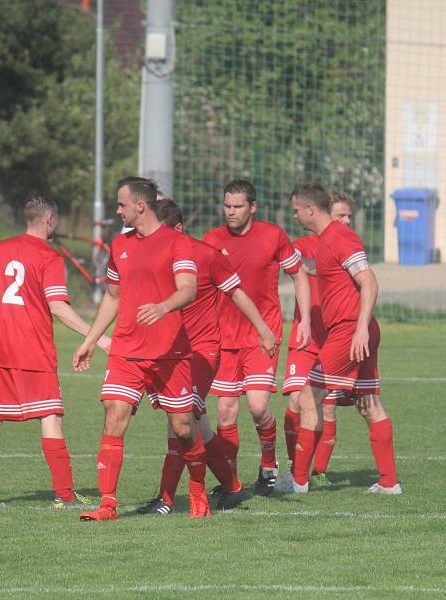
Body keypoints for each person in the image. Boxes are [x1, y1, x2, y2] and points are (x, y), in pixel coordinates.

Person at [0, 195, 111, 508]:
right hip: (33, 351)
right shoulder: (48, 258)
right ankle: (64, 496)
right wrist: (97, 337)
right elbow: (59, 309)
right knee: (51, 417)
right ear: (50, 219)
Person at [73, 177, 209, 521]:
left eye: (120, 205)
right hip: (127, 350)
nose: (117, 210)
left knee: (182, 429)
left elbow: (189, 289)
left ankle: (196, 489)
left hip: (170, 354)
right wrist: (90, 340)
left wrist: (163, 307)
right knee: (113, 415)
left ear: (140, 206)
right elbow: (113, 297)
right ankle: (107, 505)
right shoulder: (120, 246)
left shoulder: (177, 243)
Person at [139, 199, 279, 514]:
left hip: (202, 352)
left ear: (177, 229)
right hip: (165, 352)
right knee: (198, 428)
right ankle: (233, 487)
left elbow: (238, 293)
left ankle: (166, 499)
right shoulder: (152, 254)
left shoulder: (206, 255)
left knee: (180, 423)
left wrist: (264, 331)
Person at [287, 182, 401, 495]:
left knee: (309, 397)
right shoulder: (325, 241)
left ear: (311, 209)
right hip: (354, 329)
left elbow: (370, 282)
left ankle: (297, 483)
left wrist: (361, 327)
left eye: (297, 210)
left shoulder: (340, 236)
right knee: (368, 403)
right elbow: (315, 271)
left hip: (350, 330)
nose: (295, 216)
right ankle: (389, 483)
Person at [203, 179, 312, 496]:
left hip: (263, 335)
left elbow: (299, 275)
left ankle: (269, 465)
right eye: (227, 205)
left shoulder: (273, 235)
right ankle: (231, 480)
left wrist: (302, 320)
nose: (231, 212)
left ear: (253, 207)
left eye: (237, 206)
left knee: (258, 406)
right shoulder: (212, 240)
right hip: (224, 338)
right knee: (224, 411)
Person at [280, 190, 357, 490]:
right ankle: (295, 466)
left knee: (325, 406)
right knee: (298, 400)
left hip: (335, 336)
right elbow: (289, 260)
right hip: (306, 334)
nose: (346, 221)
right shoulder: (304, 245)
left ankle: (317, 471)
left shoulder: (348, 245)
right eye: (341, 215)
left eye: (349, 216)